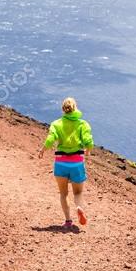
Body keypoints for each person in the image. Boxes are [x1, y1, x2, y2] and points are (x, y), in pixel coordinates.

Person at [38, 97, 94, 229]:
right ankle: (79, 207)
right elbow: (88, 140)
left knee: (63, 194)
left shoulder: (56, 124)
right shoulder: (82, 124)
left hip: (61, 163)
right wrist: (88, 150)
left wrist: (42, 150)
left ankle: (68, 221)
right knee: (78, 193)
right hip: (77, 163)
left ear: (63, 109)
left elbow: (50, 139)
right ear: (75, 107)